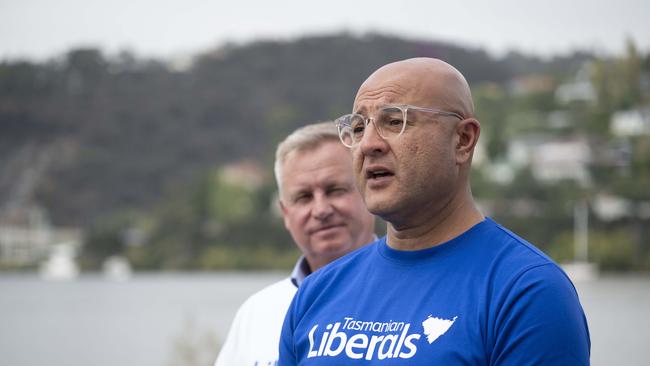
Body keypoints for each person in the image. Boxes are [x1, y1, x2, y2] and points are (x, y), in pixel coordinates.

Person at [278, 58, 590, 365]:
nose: (369, 144)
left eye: (395, 121)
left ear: (463, 140)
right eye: (359, 127)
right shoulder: (316, 293)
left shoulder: (526, 292)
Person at [215, 122, 376, 366]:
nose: (321, 210)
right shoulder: (256, 313)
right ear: (285, 213)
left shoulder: (414, 292)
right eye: (303, 197)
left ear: (369, 189)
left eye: (335, 190)